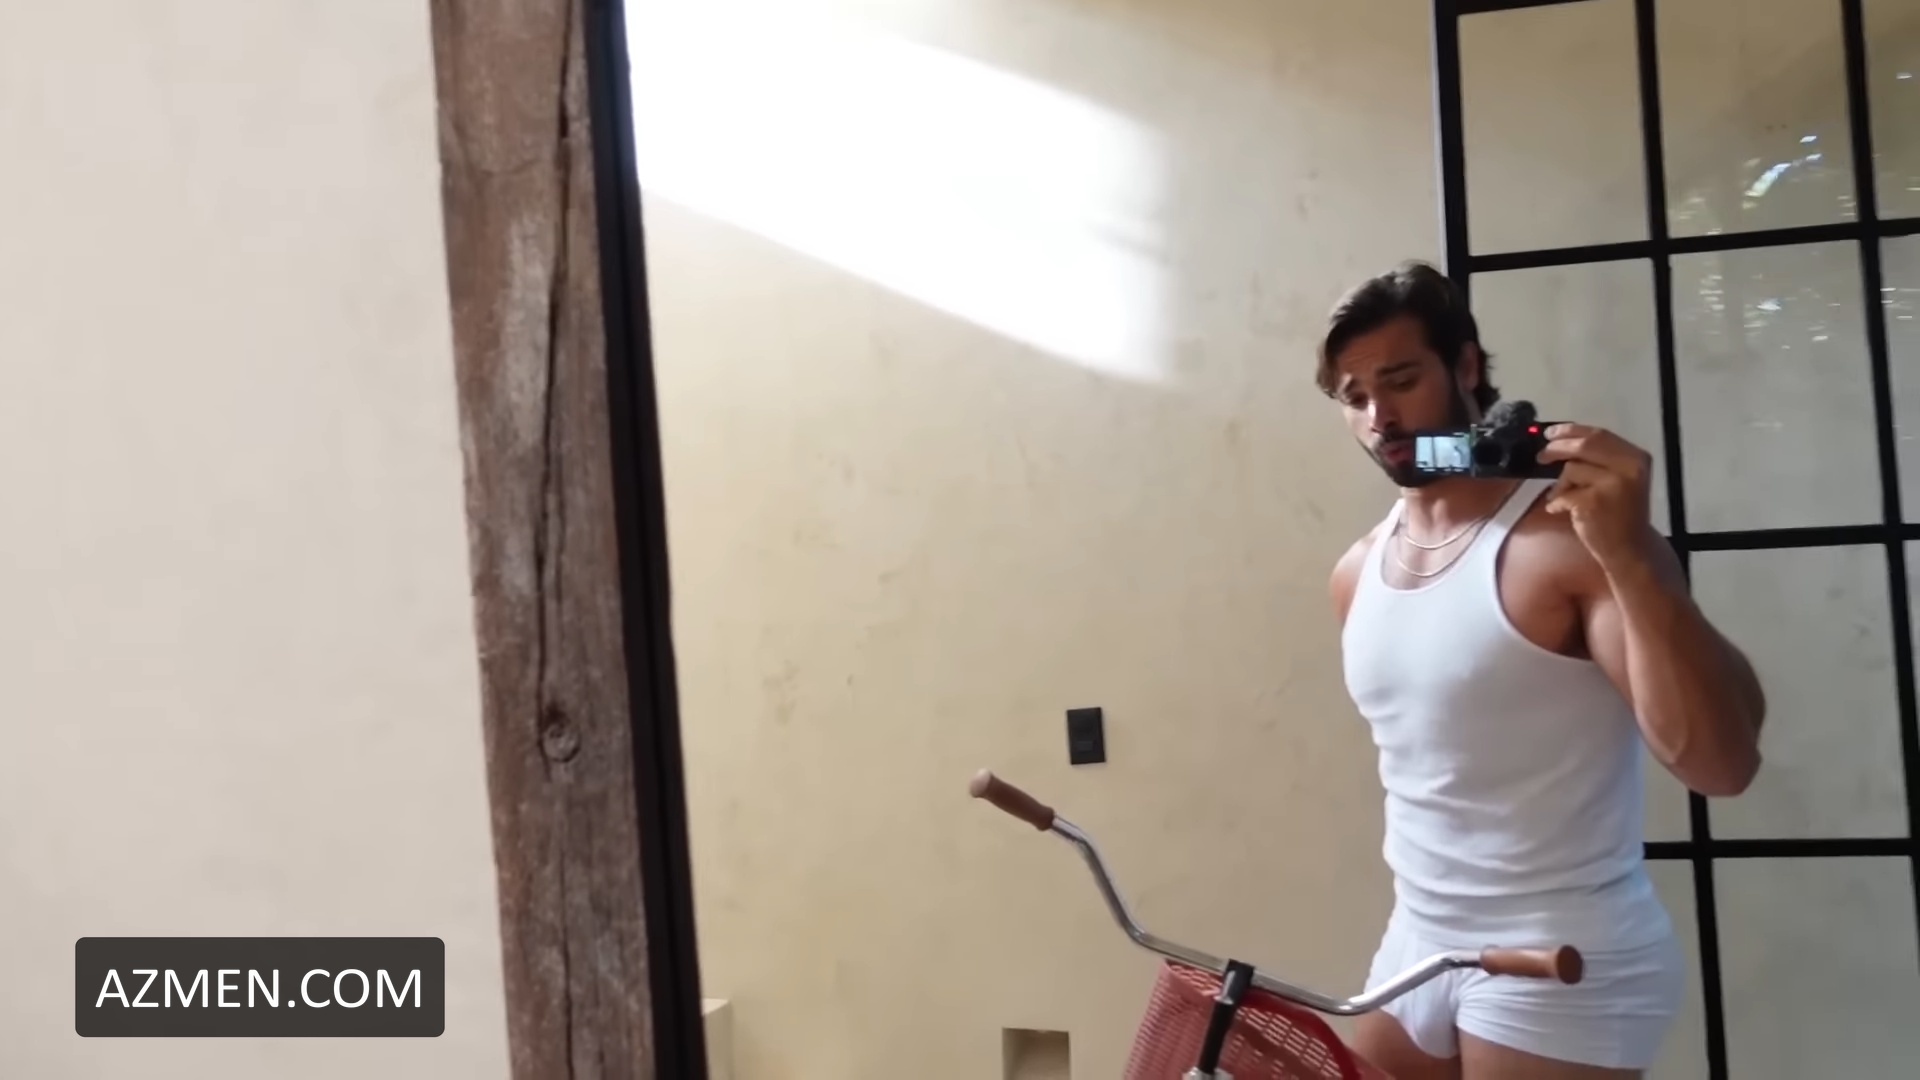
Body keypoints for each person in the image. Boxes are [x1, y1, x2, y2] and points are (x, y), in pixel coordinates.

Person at [1317, 261, 1766, 1079]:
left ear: (1466, 367)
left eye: (1401, 380)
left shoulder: (1570, 545)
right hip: (1419, 939)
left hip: (1563, 952)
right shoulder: (1356, 572)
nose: (1380, 416)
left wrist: (1632, 557)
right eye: (1355, 397)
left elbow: (1721, 763)